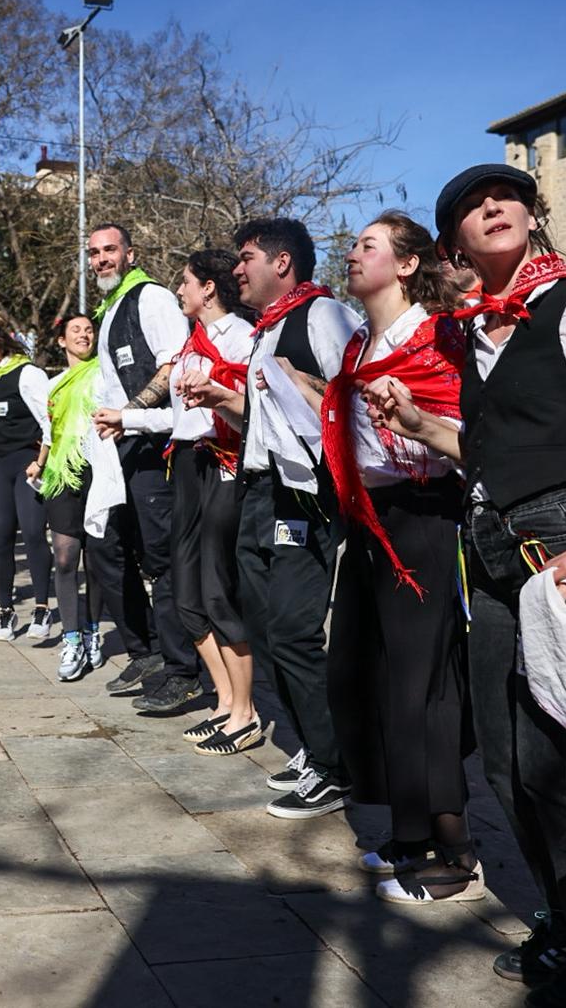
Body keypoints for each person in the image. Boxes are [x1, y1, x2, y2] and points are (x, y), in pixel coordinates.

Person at [367, 162, 566, 998]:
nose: (492, 206)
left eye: (507, 197)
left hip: (564, 550)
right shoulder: (473, 334)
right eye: (470, 206)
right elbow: (483, 452)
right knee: (503, 762)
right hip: (493, 554)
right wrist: (418, 422)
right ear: (454, 242)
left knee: (552, 761)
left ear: (531, 215)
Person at [318, 212, 479, 901]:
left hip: (423, 515)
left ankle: (453, 849)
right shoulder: (360, 343)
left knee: (422, 686)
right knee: (366, 674)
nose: (352, 254)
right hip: (370, 518)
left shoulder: (436, 337)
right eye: (354, 245)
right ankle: (410, 830)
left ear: (407, 265)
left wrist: (414, 423)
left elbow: (465, 430)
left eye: (368, 246)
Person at [180, 217, 362, 818]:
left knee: (293, 630)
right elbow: (267, 419)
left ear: (283, 263)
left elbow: (352, 401)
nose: (237, 268)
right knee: (263, 627)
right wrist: (224, 400)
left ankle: (336, 766)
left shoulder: (323, 316)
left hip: (301, 496)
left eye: (247, 256)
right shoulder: (267, 329)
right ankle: (313, 748)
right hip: (258, 492)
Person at [85, 223, 194, 712]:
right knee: (108, 548)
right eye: (94, 253)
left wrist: (128, 415)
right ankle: (148, 651)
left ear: (131, 253)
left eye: (110, 250)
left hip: (156, 446)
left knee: (162, 559)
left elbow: (173, 367)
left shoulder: (151, 298)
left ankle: (181, 669)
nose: (101, 259)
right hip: (122, 446)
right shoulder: (110, 308)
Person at [160, 250, 257, 754]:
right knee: (187, 594)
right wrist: (125, 418)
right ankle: (224, 701)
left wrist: (218, 394)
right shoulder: (190, 342)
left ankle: (245, 711)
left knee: (219, 590)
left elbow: (255, 414)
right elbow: (179, 418)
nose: (180, 290)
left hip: (225, 462)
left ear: (209, 289)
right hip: (188, 464)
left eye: (185, 282)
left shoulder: (242, 337)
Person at [0, 315, 52, 643]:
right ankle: (6, 609)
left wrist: (41, 462)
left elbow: (50, 420)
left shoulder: (28, 373)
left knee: (32, 532)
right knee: (0, 536)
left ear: (0, 343)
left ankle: (42, 607)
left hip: (27, 463)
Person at [38, 314, 106, 681]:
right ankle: (72, 638)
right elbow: (49, 432)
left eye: (89, 329)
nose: (84, 334)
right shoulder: (53, 385)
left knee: (95, 559)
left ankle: (93, 631)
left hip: (98, 469)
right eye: (75, 330)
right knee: (65, 558)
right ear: (61, 341)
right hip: (62, 473)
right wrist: (39, 465)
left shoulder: (104, 373)